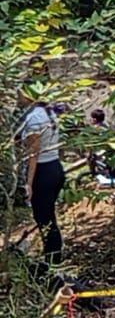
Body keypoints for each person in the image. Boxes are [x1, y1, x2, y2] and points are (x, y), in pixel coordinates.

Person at [16, 98, 66, 262]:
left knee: (45, 219)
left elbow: (34, 153)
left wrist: (29, 183)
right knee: (48, 217)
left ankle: (53, 263)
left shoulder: (34, 117)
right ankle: (53, 259)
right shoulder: (48, 112)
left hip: (42, 171)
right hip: (54, 167)